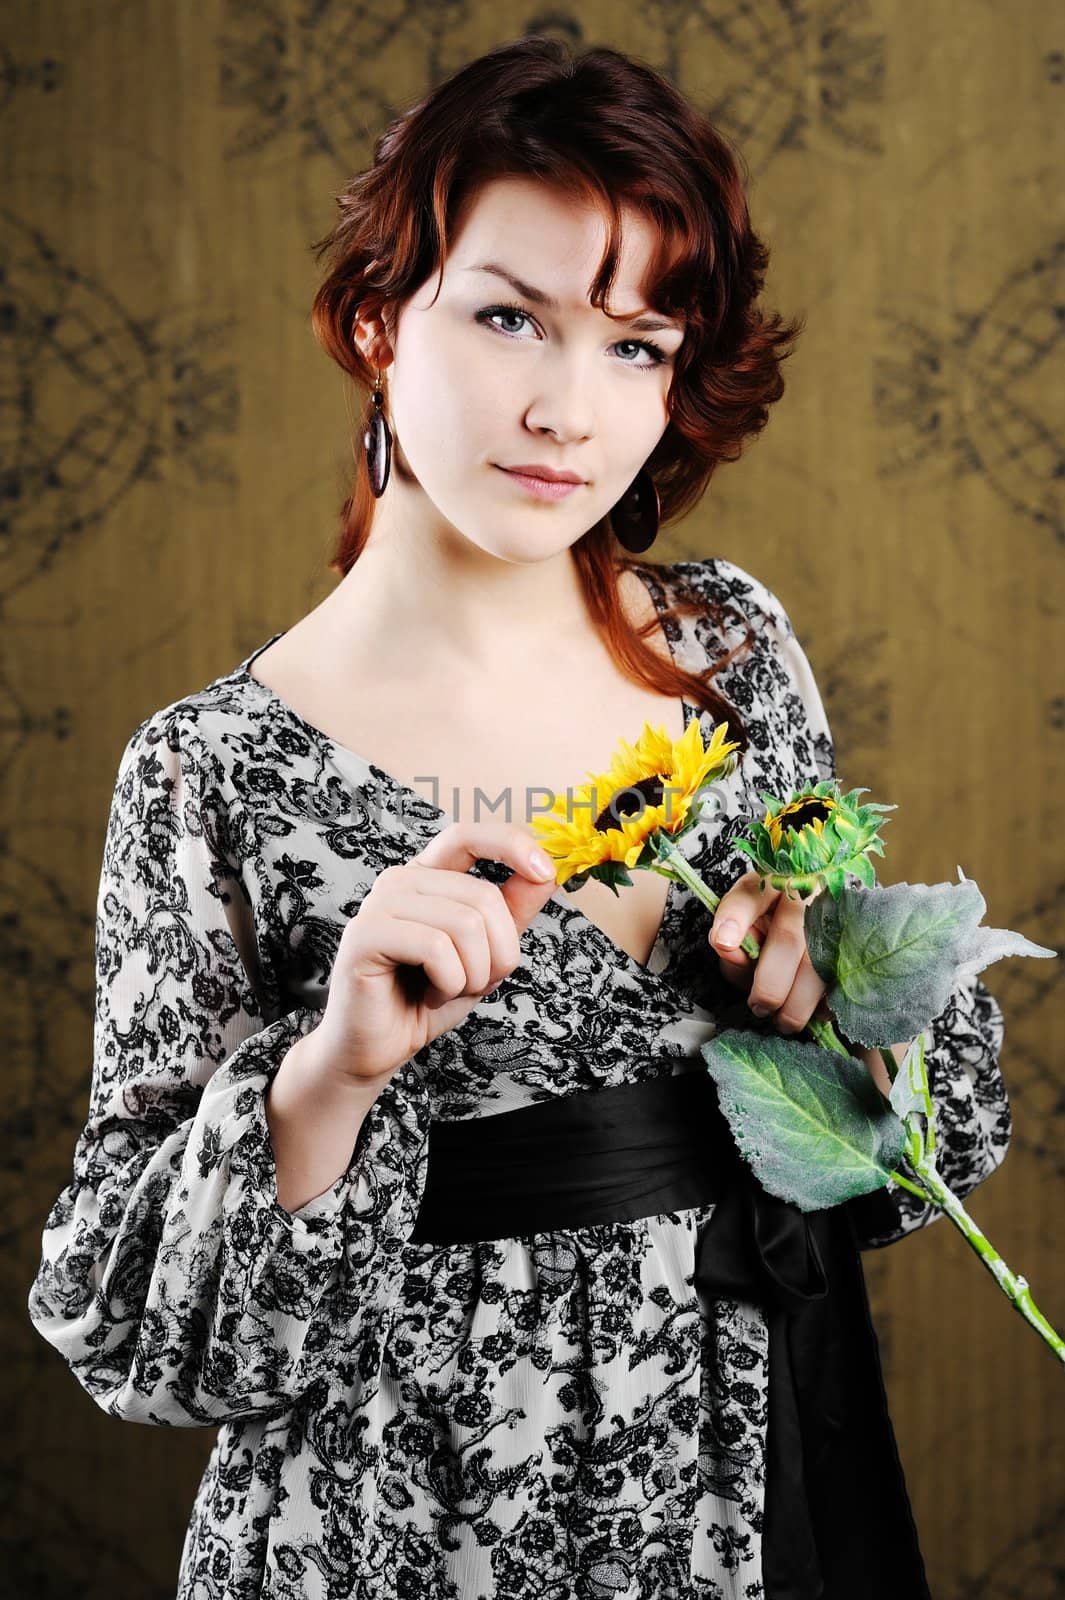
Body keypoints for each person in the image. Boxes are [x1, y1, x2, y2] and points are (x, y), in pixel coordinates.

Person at [28, 36, 1011, 1600]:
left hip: (755, 1477)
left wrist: (853, 1010)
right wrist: (330, 1071)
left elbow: (911, 1161)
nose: (566, 407)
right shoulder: (209, 769)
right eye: (506, 318)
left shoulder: (725, 648)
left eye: (635, 344)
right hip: (399, 1519)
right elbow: (134, 1332)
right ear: (375, 320)